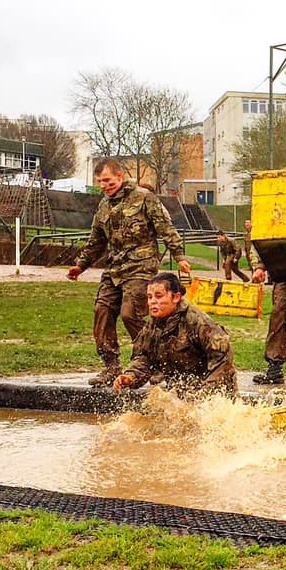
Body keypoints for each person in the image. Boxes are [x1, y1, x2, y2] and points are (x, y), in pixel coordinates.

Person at [67, 159, 191, 386]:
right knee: (101, 310)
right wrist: (80, 265)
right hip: (115, 268)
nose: (104, 185)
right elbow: (96, 240)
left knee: (130, 313)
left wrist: (180, 256)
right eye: (100, 182)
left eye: (107, 180)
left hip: (141, 266)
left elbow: (166, 228)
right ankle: (111, 367)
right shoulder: (104, 206)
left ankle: (154, 362)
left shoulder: (144, 198)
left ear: (120, 176)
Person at [112, 272, 237, 395]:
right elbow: (144, 358)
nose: (152, 302)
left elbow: (223, 360)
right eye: (150, 297)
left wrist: (204, 395)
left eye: (159, 296)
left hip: (214, 394)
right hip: (180, 393)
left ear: (176, 297)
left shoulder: (198, 322)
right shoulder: (152, 327)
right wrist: (130, 376)